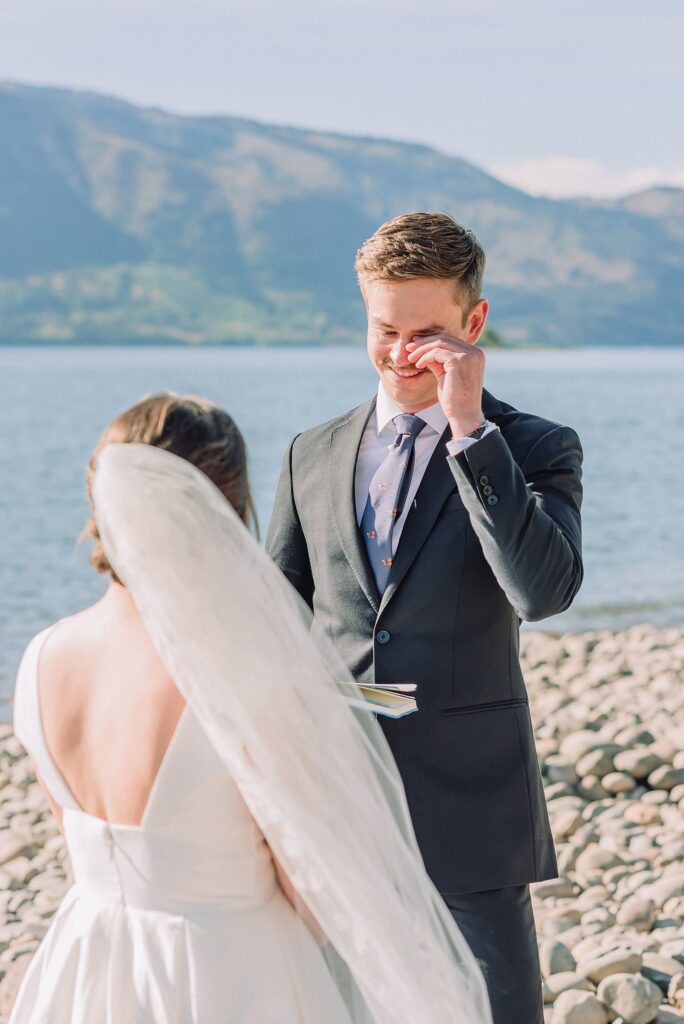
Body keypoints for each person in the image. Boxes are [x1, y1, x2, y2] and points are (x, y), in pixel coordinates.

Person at [10, 392, 491, 1023]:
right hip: (229, 973)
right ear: (223, 509)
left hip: (88, 964)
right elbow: (312, 890)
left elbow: (73, 833)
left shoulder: (42, 658)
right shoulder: (247, 676)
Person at [266, 212, 584, 1024]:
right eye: (384, 330)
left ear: (474, 324)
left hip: (472, 801)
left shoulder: (535, 446)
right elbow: (272, 618)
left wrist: (472, 431)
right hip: (341, 794)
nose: (403, 353)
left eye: (429, 333)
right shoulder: (312, 452)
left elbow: (541, 591)